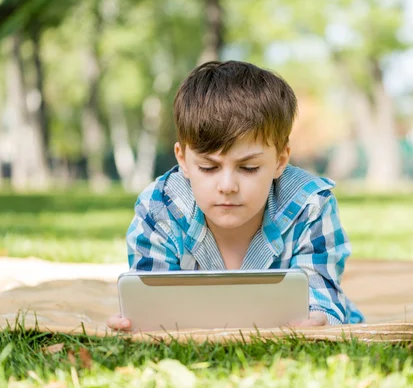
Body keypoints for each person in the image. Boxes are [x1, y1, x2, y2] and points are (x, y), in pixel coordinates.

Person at [107, 60, 364, 330]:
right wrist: (135, 321)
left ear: (280, 160)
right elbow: (150, 304)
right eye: (208, 167)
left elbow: (322, 298)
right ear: (183, 160)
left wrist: (321, 319)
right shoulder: (160, 208)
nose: (227, 185)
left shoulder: (309, 205)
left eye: (248, 168)